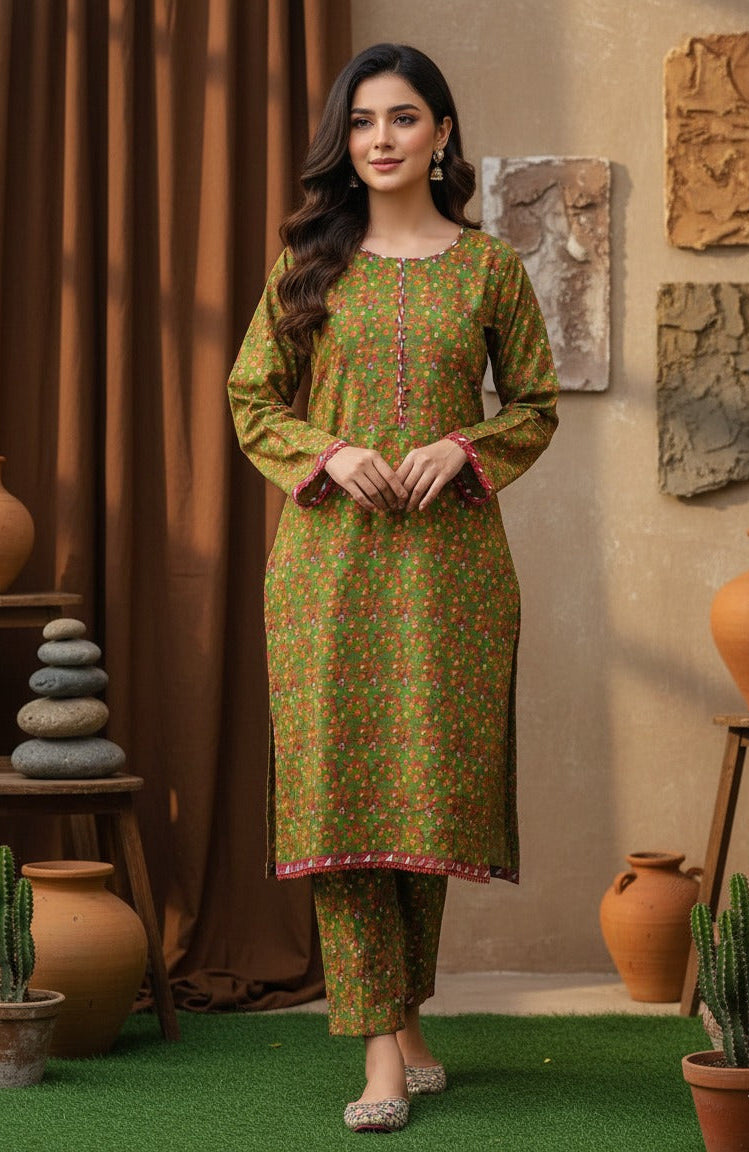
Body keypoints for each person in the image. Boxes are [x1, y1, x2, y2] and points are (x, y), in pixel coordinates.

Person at [228, 42, 558, 1134]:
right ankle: (377, 1052)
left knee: (425, 800)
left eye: (403, 118)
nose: (380, 138)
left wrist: (463, 447)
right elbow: (251, 400)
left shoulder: (487, 269)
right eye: (362, 120)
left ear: (441, 134)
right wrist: (326, 455)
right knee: (348, 796)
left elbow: (535, 404)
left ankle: (404, 1015)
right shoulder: (306, 267)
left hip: (453, 575)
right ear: (345, 138)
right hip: (329, 568)